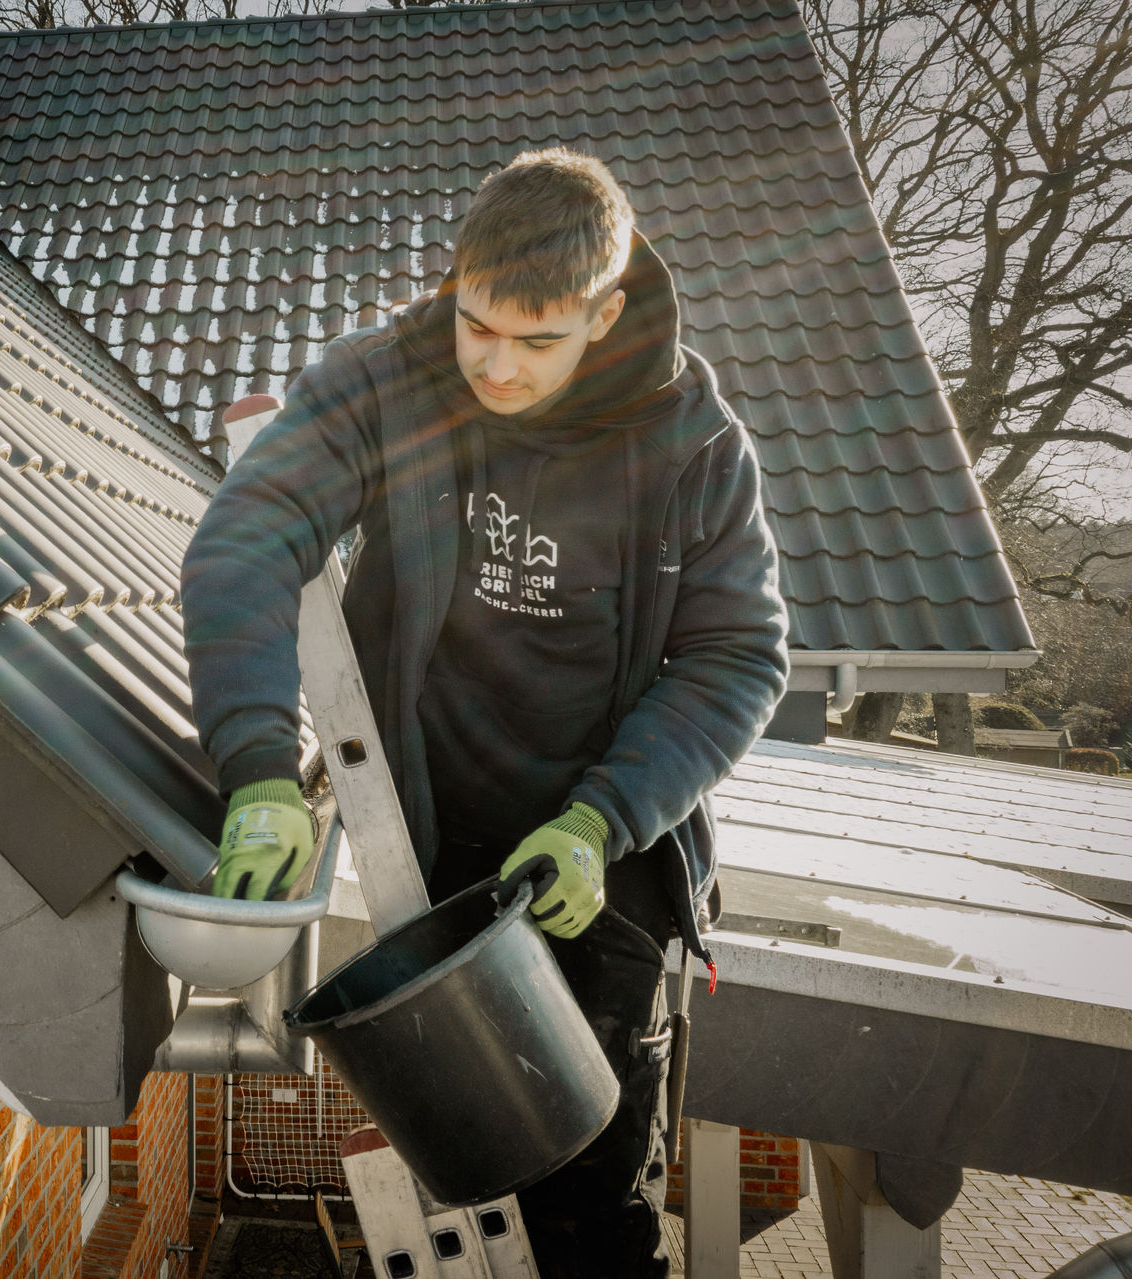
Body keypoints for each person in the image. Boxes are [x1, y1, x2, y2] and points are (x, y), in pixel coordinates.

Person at [180, 149, 790, 1276]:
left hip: (603, 863)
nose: (497, 367)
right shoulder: (386, 379)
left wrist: (602, 819)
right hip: (439, 858)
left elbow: (736, 658)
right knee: (462, 1197)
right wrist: (259, 766)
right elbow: (246, 538)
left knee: (595, 1210)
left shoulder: (692, 442)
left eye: (538, 340)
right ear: (453, 281)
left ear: (604, 314)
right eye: (478, 325)